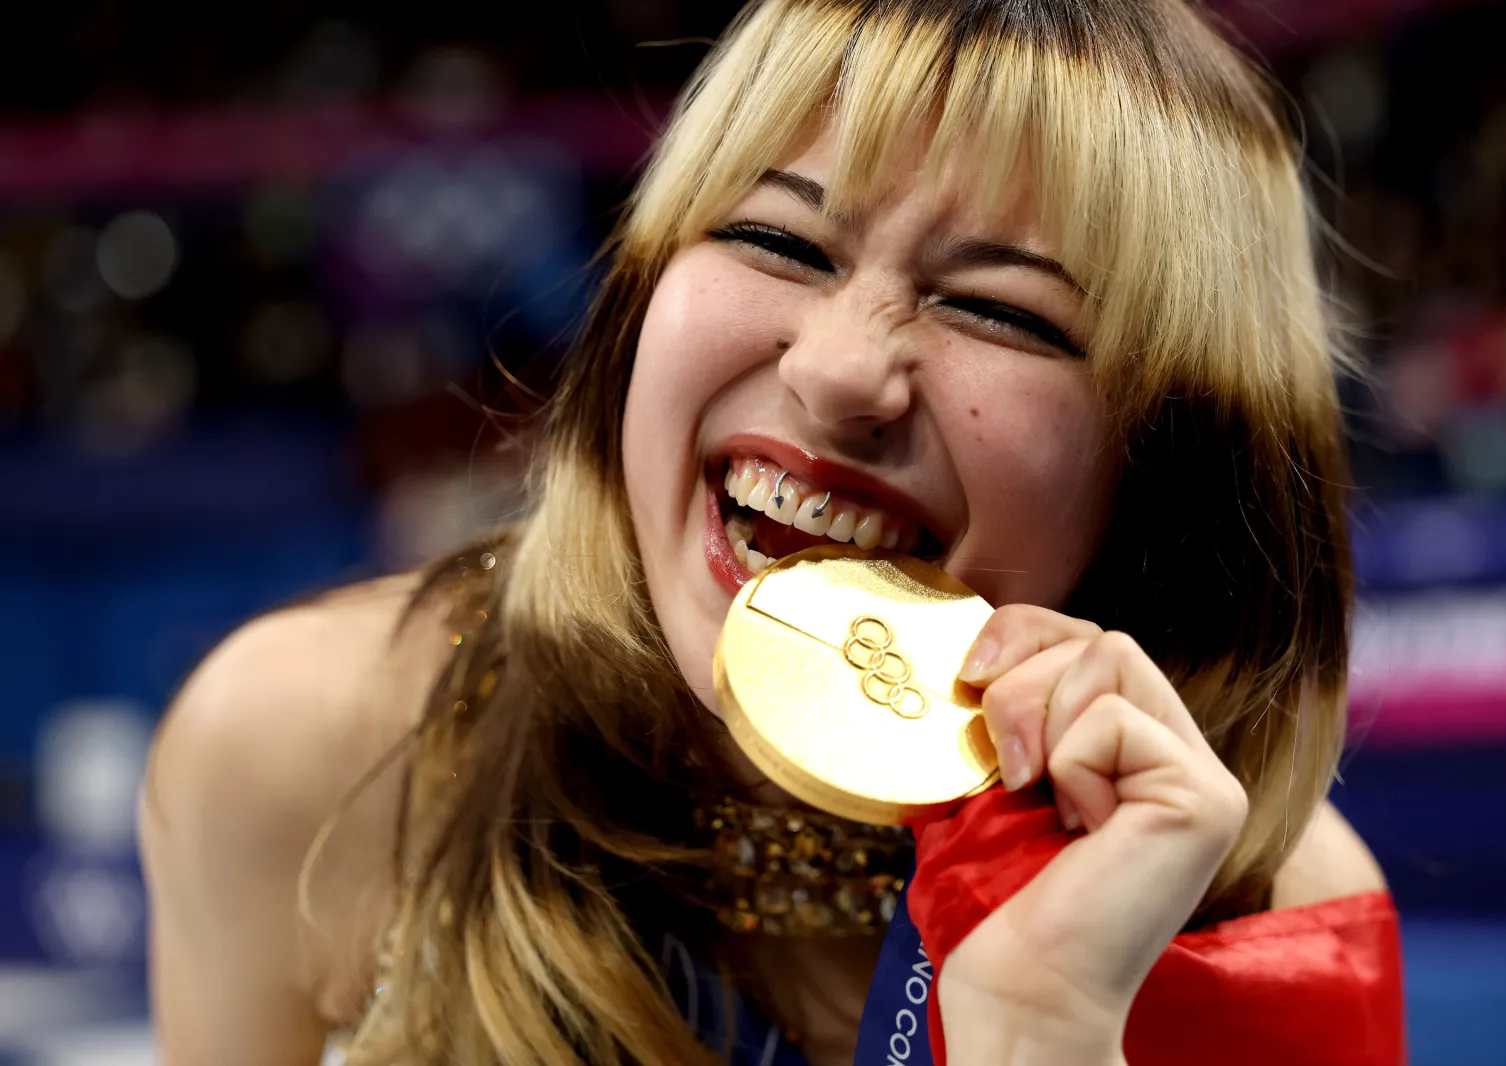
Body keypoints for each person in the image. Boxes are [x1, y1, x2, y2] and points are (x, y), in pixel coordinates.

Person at [138, 1, 1394, 1064]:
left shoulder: (1267, 917)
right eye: (774, 238)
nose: (844, 368)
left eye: (1002, 313)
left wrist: (1043, 1029)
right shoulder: (307, 747)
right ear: (640, 298)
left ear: (1172, 463)